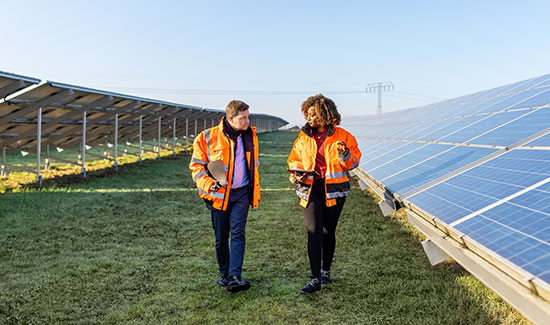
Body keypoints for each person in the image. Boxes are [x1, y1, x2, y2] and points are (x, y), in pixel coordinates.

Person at [287, 94, 361, 294]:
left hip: (334, 190)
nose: (309, 119)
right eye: (307, 114)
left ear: (324, 114)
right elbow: (294, 160)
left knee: (328, 231)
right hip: (310, 189)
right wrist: (296, 176)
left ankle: (325, 270)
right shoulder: (303, 136)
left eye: (312, 115)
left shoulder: (344, 136)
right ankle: (314, 278)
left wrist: (345, 155)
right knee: (313, 231)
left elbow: (353, 163)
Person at [189, 100, 260, 293]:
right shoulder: (206, 137)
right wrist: (208, 184)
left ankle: (235, 276)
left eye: (248, 117)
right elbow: (196, 167)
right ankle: (225, 275)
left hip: (242, 193)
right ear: (230, 118)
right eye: (243, 118)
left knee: (238, 232)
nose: (247, 121)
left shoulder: (250, 136)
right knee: (221, 236)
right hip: (218, 195)